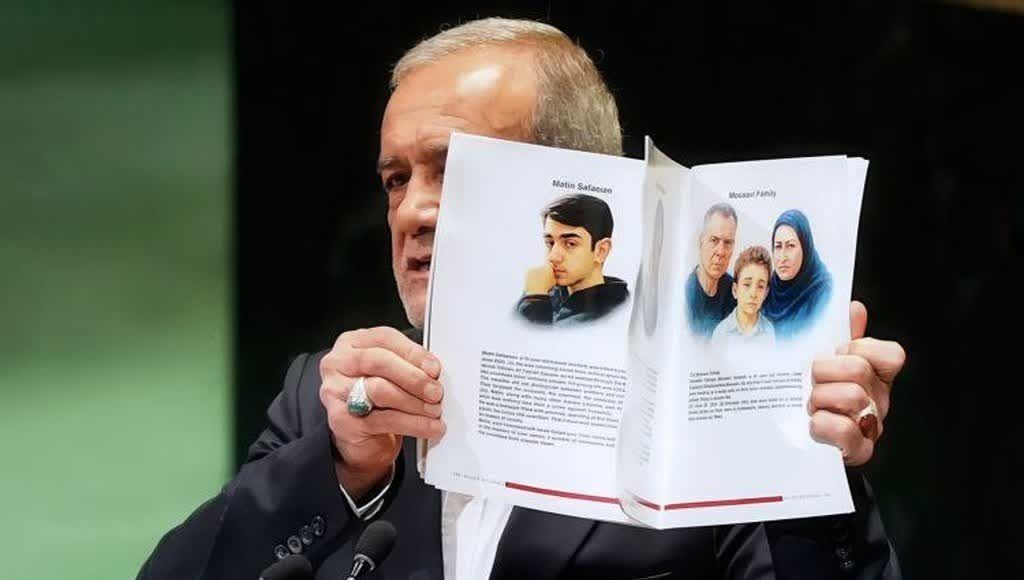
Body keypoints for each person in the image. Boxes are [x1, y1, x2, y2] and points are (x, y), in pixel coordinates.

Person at [138, 18, 906, 580]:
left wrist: (809, 466)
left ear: (577, 188)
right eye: (396, 179)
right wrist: (340, 468)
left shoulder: (691, 406)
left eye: (452, 169)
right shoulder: (327, 404)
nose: (413, 210)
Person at [517, 194, 629, 326]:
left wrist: (535, 300)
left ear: (601, 250)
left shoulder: (610, 316)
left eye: (570, 243)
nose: (553, 257)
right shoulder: (545, 290)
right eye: (550, 243)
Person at [763, 209, 834, 340]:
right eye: (778, 246)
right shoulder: (767, 288)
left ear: (805, 248)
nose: (782, 257)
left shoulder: (824, 293)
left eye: (790, 246)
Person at [686, 203, 739, 338]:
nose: (721, 252)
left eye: (728, 243)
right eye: (714, 240)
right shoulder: (684, 296)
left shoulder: (734, 291)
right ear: (701, 242)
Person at [711, 246, 776, 353]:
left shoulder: (769, 333)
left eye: (760, 286)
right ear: (735, 290)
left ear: (765, 293)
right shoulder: (720, 334)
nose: (753, 294)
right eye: (747, 284)